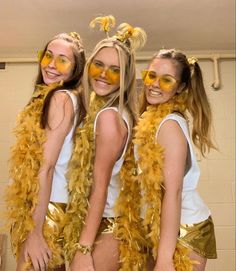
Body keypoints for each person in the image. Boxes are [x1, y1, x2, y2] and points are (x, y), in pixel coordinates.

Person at [118, 49, 217, 271]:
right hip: (161, 223)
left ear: (180, 87)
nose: (154, 84)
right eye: (152, 75)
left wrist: (164, 259)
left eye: (166, 80)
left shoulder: (169, 125)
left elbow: (172, 193)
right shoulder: (152, 119)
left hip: (184, 226)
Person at [63, 15, 147, 271]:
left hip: (107, 227)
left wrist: (84, 248)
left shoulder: (109, 117)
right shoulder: (110, 112)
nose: (103, 75)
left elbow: (99, 189)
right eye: (98, 64)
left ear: (125, 77)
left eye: (115, 70)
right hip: (108, 224)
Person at [5, 32, 87, 271]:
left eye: (62, 60)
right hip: (45, 207)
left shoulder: (60, 98)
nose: (51, 64)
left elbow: (46, 166)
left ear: (75, 70)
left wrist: (35, 232)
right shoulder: (58, 98)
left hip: (46, 212)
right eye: (48, 55)